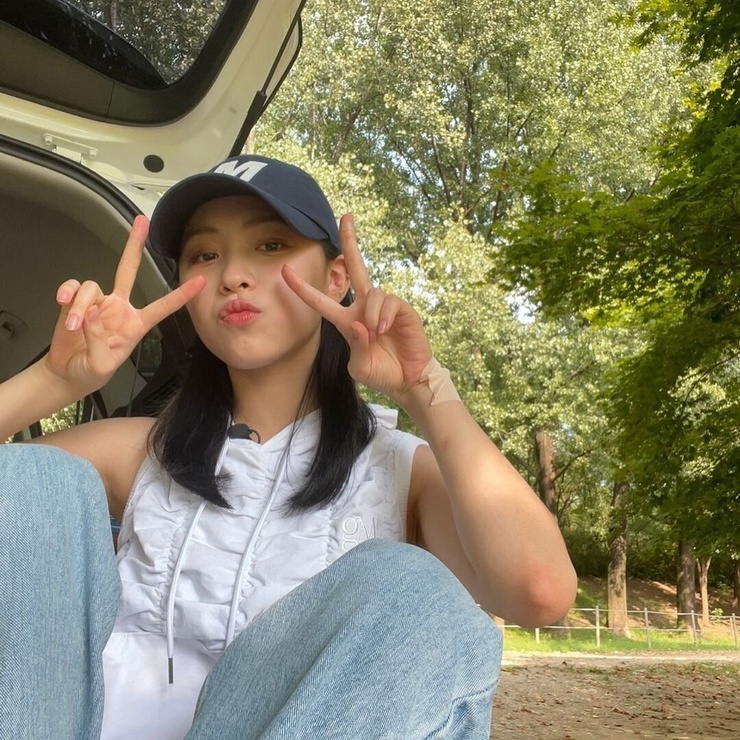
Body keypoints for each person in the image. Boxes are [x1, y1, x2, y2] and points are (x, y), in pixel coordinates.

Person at [0, 155, 577, 740]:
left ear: (336, 278)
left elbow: (541, 591)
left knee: (414, 585)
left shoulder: (402, 472)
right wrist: (53, 381)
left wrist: (424, 389)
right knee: (30, 477)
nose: (233, 275)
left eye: (271, 245)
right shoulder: (140, 453)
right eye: (205, 255)